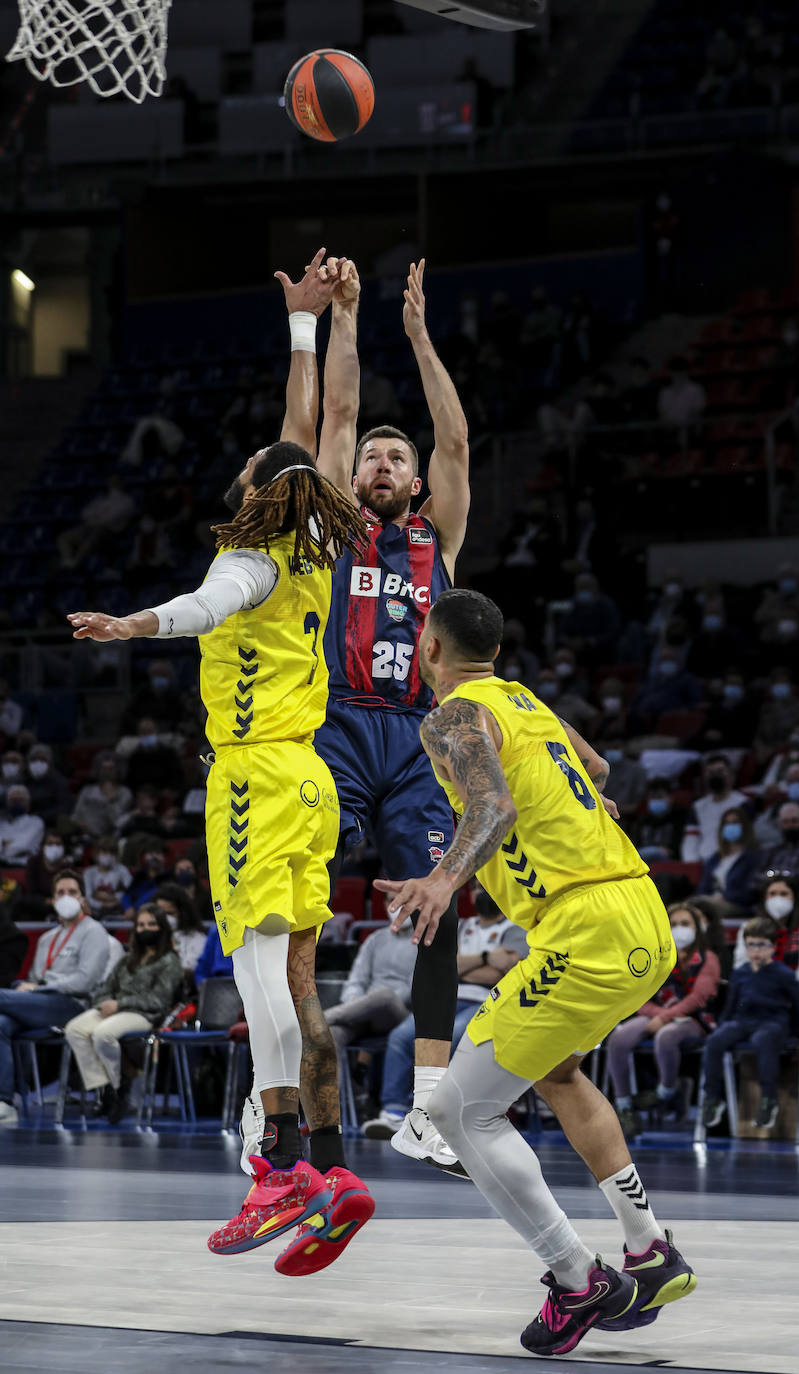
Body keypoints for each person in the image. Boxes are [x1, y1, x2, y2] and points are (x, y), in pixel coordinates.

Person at [68, 312, 374, 1277]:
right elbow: (309, 435)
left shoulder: (246, 560)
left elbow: (207, 606)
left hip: (250, 777)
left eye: (248, 463)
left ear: (255, 489)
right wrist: (302, 323)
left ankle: (279, 1162)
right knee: (289, 974)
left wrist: (134, 624)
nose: (239, 466)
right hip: (309, 775)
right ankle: (327, 1169)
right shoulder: (321, 552)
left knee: (252, 970)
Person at [374, 588, 695, 1356]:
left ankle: (576, 1278)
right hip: (641, 914)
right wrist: (587, 806)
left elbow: (493, 809)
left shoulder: (451, 715)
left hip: (583, 928)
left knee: (458, 1114)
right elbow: (597, 764)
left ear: (429, 649)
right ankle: (648, 1249)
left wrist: (443, 879)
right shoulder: (522, 700)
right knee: (556, 1073)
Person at [279, 253, 472, 1174]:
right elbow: (341, 412)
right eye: (374, 458)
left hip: (417, 735)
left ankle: (431, 1106)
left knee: (437, 905)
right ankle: (278, 1084)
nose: (387, 464)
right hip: (339, 725)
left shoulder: (441, 536)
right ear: (354, 477)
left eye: (399, 457)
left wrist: (422, 337)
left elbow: (458, 443)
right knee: (299, 895)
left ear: (415, 478)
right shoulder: (332, 524)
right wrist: (348, 318)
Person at [363, 886, 528, 1139]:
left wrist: (463, 965)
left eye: (487, 889)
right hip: (449, 997)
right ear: (470, 896)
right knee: (400, 1036)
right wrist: (487, 957)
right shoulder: (462, 925)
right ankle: (393, 1112)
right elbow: (447, 962)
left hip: (489, 1002)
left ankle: (443, 1115)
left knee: (457, 1035)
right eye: (477, 890)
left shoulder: (514, 928)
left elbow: (506, 967)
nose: (482, 894)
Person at [0, 869, 111, 1127]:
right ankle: (6, 1101)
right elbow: (36, 976)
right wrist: (33, 988)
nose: (66, 896)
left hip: (74, 1005)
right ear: (52, 899)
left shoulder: (94, 932)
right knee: (1, 1023)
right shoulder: (48, 938)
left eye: (72, 892)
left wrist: (38, 989)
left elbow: (86, 980)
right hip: (41, 1004)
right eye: (60, 892)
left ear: (83, 898)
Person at [64, 901, 182, 1124]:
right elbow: (104, 988)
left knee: (102, 1034)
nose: (144, 929)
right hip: (113, 1009)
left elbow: (159, 1000)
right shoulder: (127, 959)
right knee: (75, 1030)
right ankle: (105, 1087)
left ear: (162, 928)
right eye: (140, 925)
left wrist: (120, 1004)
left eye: (151, 924)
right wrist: (105, 1003)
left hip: (145, 1014)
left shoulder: (170, 961)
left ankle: (120, 1087)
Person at [607, 903, 720, 1137]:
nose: (680, 929)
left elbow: (698, 999)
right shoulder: (655, 955)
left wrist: (665, 1019)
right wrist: (659, 1016)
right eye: (674, 924)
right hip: (657, 1013)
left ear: (697, 928)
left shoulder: (707, 958)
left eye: (685, 924)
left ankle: (665, 1092)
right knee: (619, 1038)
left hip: (693, 1019)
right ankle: (625, 1107)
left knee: (665, 1037)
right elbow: (639, 993)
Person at [702, 915, 799, 1132]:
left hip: (772, 1021)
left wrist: (795, 1035)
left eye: (762, 945)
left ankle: (769, 1100)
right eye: (751, 945)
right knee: (714, 1041)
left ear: (773, 947)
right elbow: (731, 1005)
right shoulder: (740, 973)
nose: (756, 950)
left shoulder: (784, 974)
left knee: (762, 1040)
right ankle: (713, 1098)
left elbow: (798, 1006)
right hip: (744, 1020)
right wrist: (722, 1025)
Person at [323, 918, 416, 1060]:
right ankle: (332, 1083)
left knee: (384, 996)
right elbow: (356, 980)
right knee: (332, 1034)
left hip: (401, 1013)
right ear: (386, 905)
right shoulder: (375, 939)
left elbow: (413, 991)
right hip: (364, 1010)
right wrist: (355, 999)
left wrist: (371, 1003)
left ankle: (319, 1020)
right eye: (392, 900)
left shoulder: (424, 942)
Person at [733, 872, 799, 984]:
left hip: (796, 990)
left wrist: (789, 991)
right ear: (765, 898)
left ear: (794, 898)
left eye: (784, 894)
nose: (778, 898)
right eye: (772, 894)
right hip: (758, 989)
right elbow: (742, 965)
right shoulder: (749, 928)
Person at [680, 755, 747, 863]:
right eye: (711, 772)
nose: (715, 776)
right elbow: (691, 839)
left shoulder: (742, 803)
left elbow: (748, 838)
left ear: (730, 775)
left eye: (720, 771)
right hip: (703, 861)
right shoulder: (698, 806)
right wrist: (691, 862)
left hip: (732, 860)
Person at [696, 809, 759, 917]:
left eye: (735, 822)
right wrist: (708, 898)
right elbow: (703, 887)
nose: (730, 826)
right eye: (727, 823)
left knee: (702, 910)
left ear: (744, 826)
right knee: (687, 907)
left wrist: (725, 897)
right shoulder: (715, 858)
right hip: (709, 901)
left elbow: (750, 891)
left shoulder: (753, 857)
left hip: (737, 905)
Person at [148, 880, 207, 982]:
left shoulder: (198, 939)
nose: (166, 918)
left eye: (170, 913)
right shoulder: (149, 937)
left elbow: (189, 970)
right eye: (161, 913)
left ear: (183, 913)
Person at [71, 754, 133, 839]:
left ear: (118, 770)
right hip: (85, 836)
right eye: (104, 769)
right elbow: (76, 815)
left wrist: (110, 801)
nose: (107, 772)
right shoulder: (88, 790)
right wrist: (79, 824)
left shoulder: (125, 793)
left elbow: (118, 822)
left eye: (111, 769)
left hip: (111, 838)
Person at [83, 836, 133, 918]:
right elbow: (88, 896)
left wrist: (111, 898)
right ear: (96, 853)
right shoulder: (89, 872)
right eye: (105, 852)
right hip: (94, 914)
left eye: (112, 852)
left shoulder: (122, 870)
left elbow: (129, 892)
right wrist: (102, 904)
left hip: (118, 913)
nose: (109, 855)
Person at [0, 784, 45, 866]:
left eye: (20, 800)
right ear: (7, 803)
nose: (17, 803)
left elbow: (22, 846)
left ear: (28, 803)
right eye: (13, 800)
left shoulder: (36, 822)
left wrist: (3, 844)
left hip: (24, 866)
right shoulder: (2, 823)